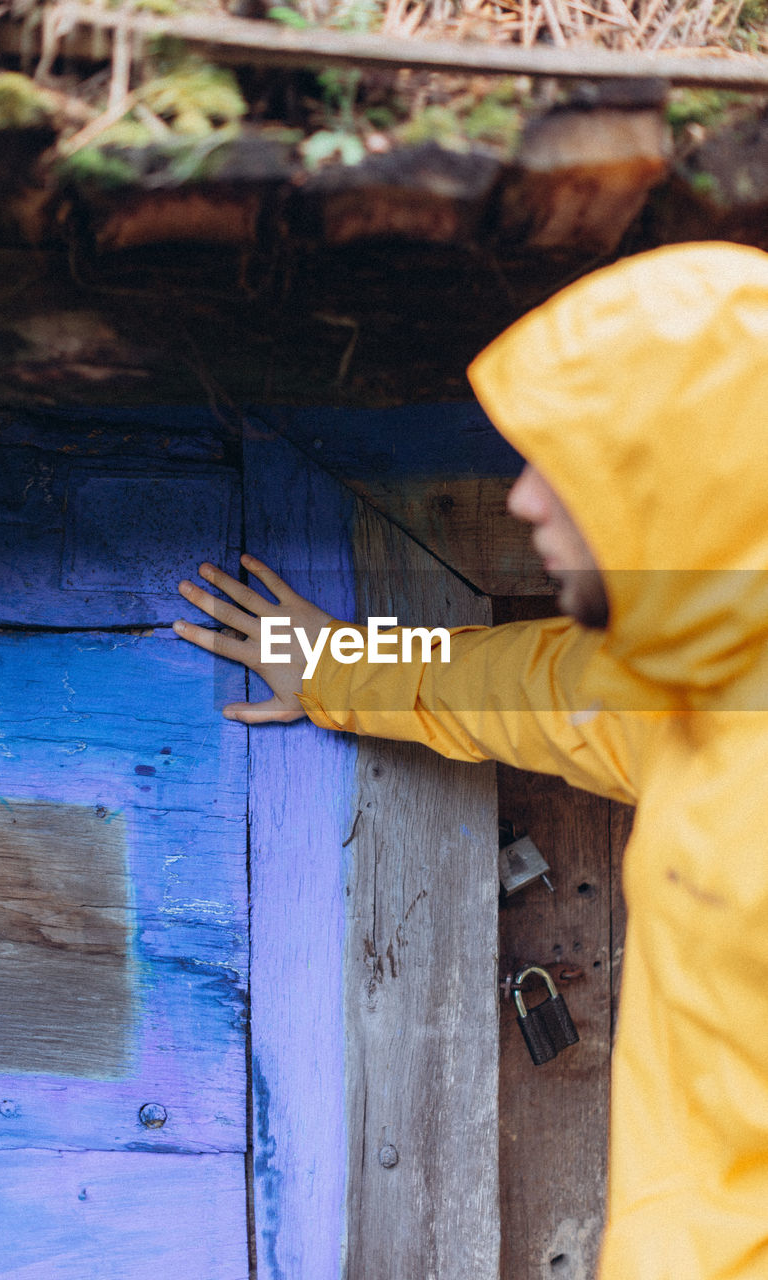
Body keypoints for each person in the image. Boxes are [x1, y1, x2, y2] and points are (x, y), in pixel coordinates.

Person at [173, 241, 768, 1280]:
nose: (526, 500)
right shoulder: (699, 706)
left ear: (674, 479)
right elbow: (527, 686)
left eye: (567, 463)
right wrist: (336, 661)